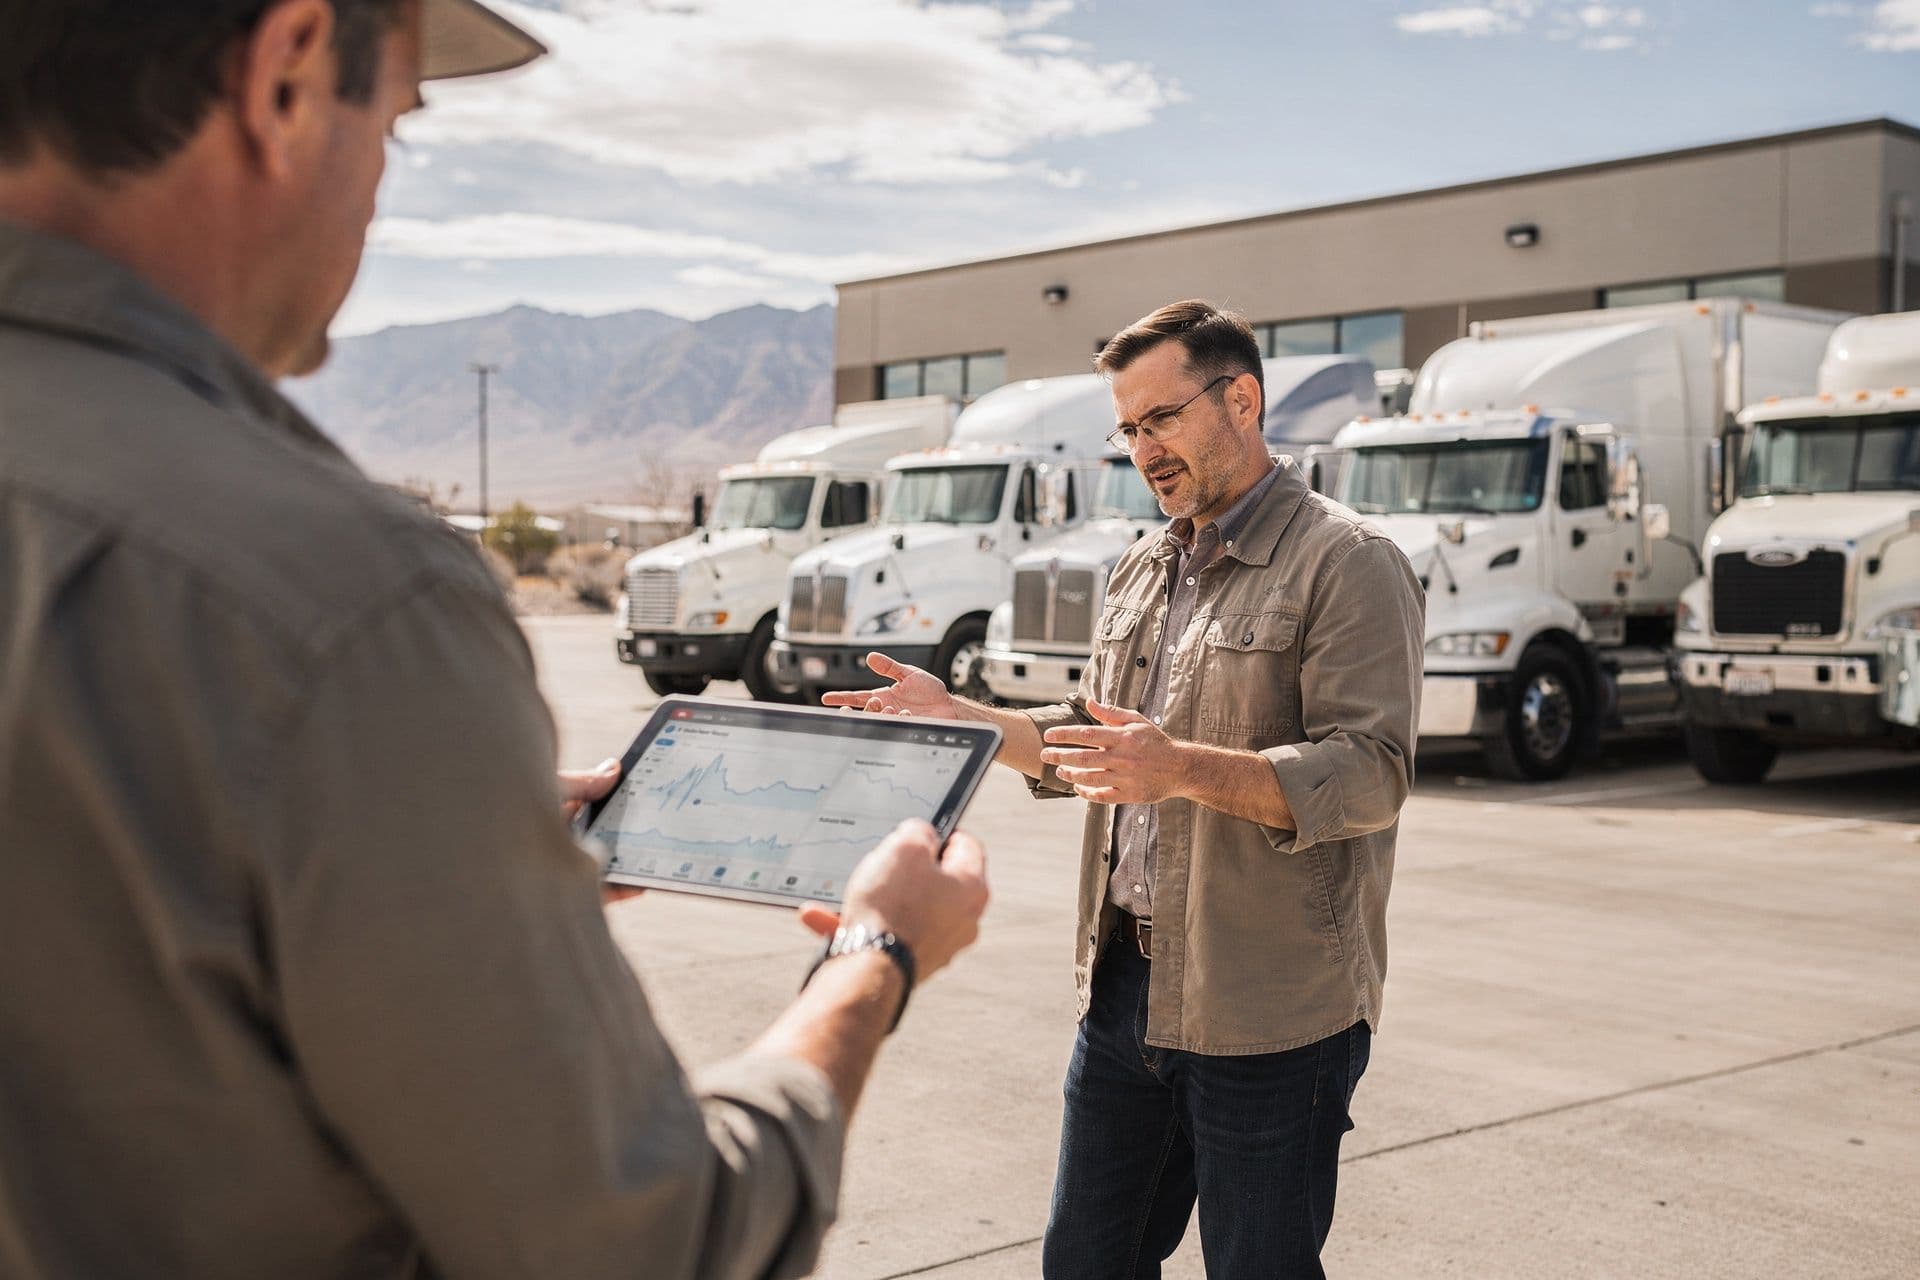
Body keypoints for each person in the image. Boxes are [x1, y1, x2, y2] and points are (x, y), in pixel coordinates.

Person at [0, 3, 987, 1277]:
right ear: (289, 72)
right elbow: (651, 1240)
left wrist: (421, 825)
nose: (376, 198)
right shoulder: (342, 601)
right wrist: (879, 951)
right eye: (395, 129)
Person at [824, 300, 1424, 1278]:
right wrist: (966, 719)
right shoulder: (1145, 566)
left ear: (1242, 398)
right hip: (1124, 996)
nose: (1145, 449)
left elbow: (1371, 775)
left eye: (1164, 418)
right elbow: (1096, 743)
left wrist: (1182, 767)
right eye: (1130, 428)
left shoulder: (1347, 561)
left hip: (1269, 1010)